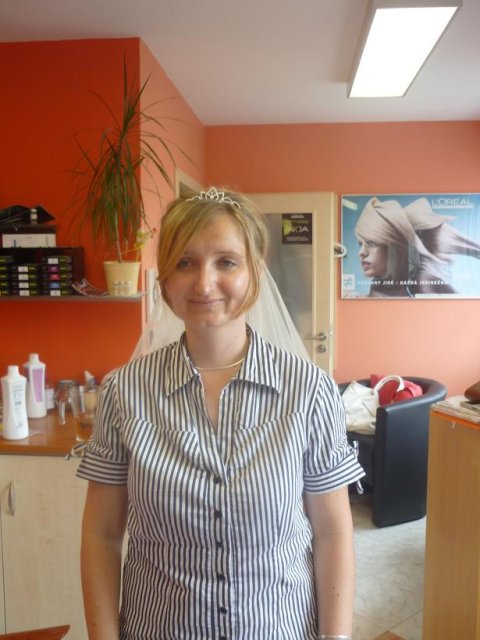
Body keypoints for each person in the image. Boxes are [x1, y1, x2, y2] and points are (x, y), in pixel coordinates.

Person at [77, 186, 364, 640]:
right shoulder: (123, 392)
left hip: (279, 628)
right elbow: (102, 535)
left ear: (255, 272)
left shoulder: (310, 391)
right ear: (164, 279)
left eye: (226, 262)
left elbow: (332, 532)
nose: (204, 283)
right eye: (185, 262)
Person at [355, 197, 442, 297]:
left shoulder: (424, 283)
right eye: (360, 244)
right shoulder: (378, 285)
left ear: (394, 247)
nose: (361, 252)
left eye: (371, 243)